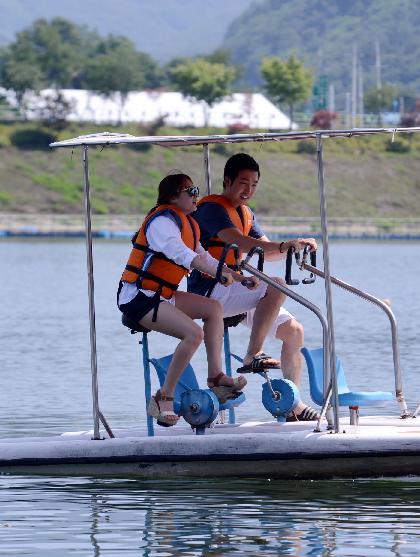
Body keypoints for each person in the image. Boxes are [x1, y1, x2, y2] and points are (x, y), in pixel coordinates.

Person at [188, 153, 321, 422]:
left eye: (254, 185)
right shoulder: (211, 209)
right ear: (227, 181)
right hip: (210, 289)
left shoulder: (245, 213)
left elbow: (268, 251)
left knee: (294, 332)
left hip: (237, 288)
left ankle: (292, 405)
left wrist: (296, 246)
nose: (248, 190)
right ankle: (252, 355)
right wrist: (286, 245)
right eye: (243, 183)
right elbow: (240, 243)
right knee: (277, 285)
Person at [118, 172, 253, 427]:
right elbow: (181, 255)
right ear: (172, 197)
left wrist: (237, 277)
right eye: (190, 191)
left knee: (214, 308)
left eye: (196, 190)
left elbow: (206, 258)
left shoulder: (188, 224)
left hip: (163, 295)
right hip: (139, 297)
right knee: (193, 335)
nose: (196, 196)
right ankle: (163, 398)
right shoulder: (161, 223)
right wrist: (217, 273)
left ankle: (216, 378)